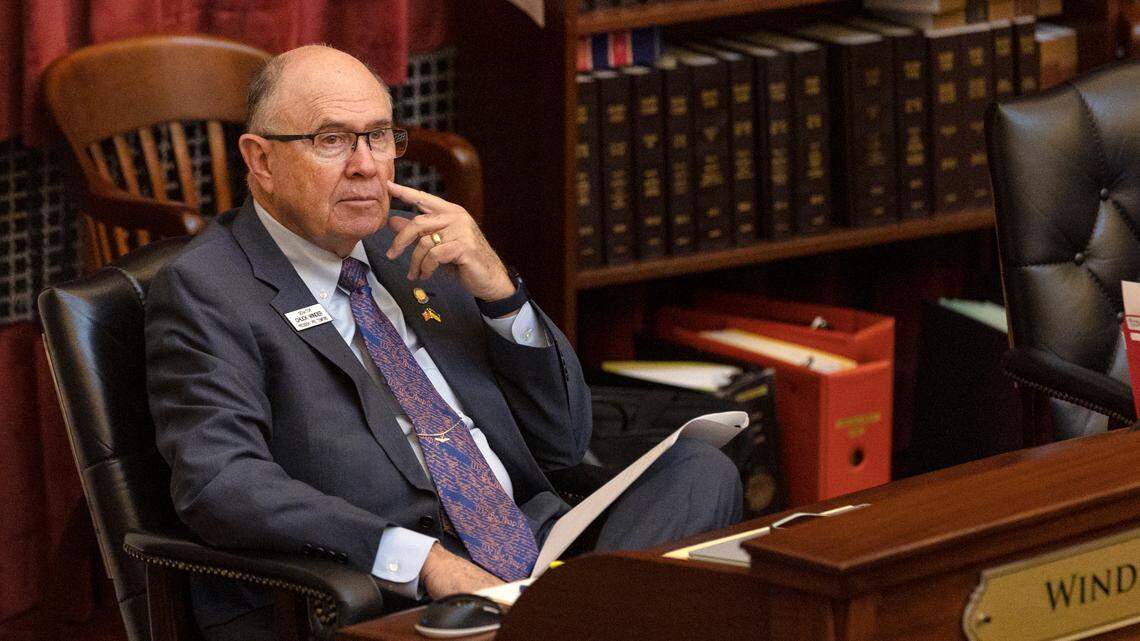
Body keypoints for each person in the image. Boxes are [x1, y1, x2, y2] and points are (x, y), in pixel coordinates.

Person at [145, 45, 742, 639]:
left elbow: (563, 442)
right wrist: (420, 561)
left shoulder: (413, 250)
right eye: (332, 140)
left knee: (697, 470)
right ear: (262, 159)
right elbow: (220, 483)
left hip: (532, 546)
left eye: (378, 136)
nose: (366, 166)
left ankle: (560, 625)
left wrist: (501, 296)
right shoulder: (207, 288)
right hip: (380, 591)